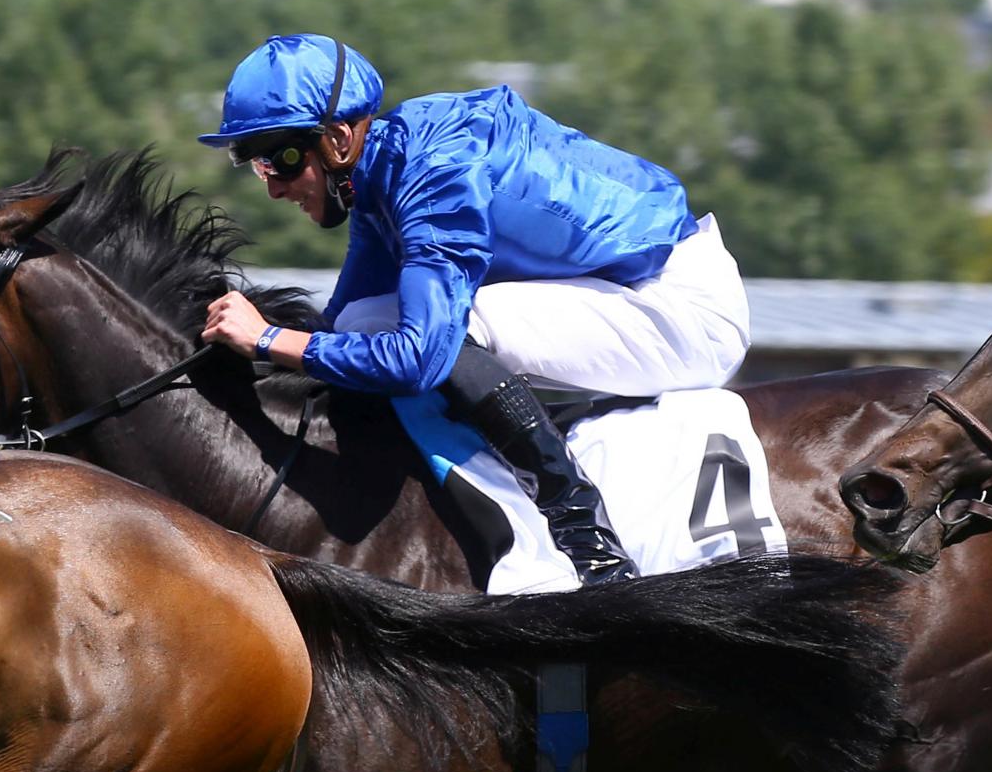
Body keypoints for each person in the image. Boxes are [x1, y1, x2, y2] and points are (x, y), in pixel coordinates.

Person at [193, 33, 751, 584]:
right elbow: (342, 325)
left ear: (339, 139)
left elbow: (419, 358)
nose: (273, 188)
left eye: (282, 160)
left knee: (449, 326)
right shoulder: (379, 173)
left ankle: (582, 534)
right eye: (258, 165)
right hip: (631, 289)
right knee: (364, 321)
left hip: (681, 306)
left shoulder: (435, 175)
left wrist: (267, 339)